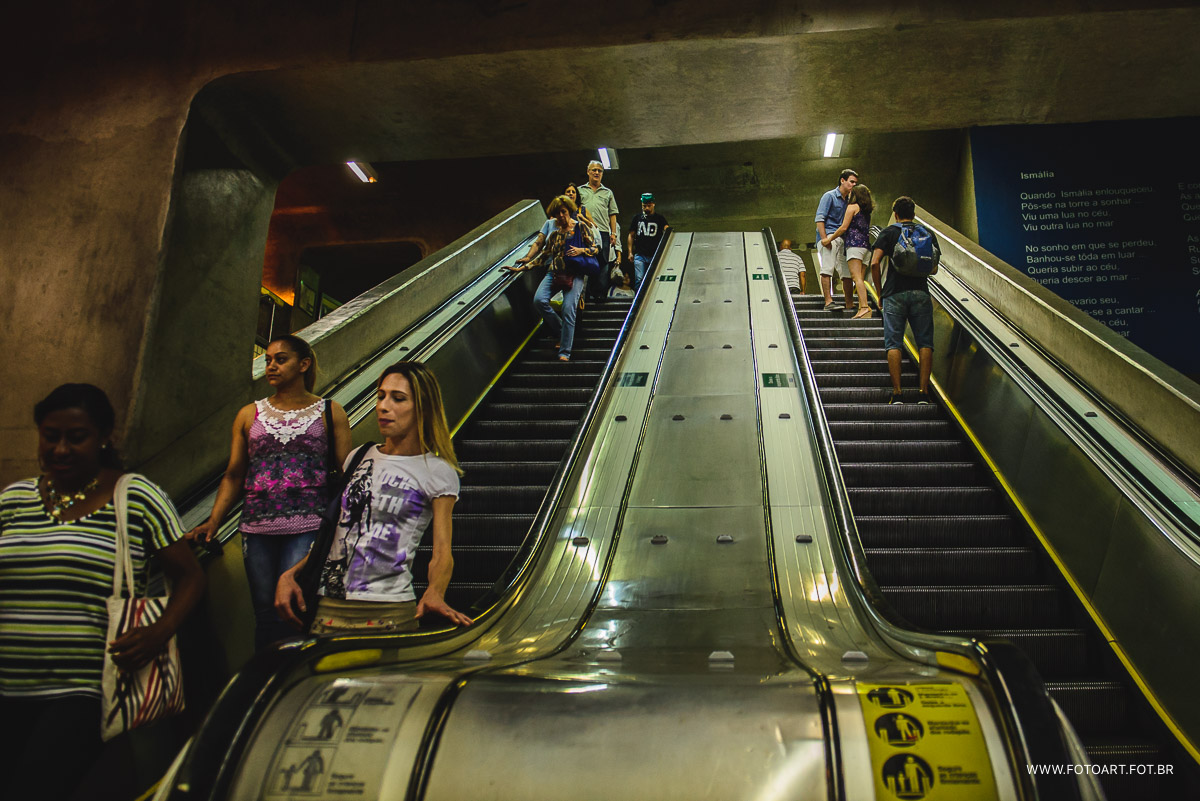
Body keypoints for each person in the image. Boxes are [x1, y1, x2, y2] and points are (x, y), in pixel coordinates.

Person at [0, 383, 205, 801]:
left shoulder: (135, 498)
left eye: (76, 438)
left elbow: (190, 576)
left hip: (82, 689)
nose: (60, 449)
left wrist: (158, 632)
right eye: (50, 436)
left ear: (104, 435)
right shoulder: (14, 500)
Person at [275, 361, 473, 633]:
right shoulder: (359, 456)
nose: (383, 406)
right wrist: (291, 574)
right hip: (329, 607)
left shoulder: (438, 472)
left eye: (398, 398)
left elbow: (441, 552)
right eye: (381, 396)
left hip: (389, 611)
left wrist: (435, 592)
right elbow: (337, 533)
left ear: (423, 408)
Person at [189, 335, 351, 650]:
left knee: (293, 608)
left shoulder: (330, 411)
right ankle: (265, 686)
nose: (271, 366)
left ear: (303, 364)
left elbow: (346, 472)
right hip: (256, 528)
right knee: (264, 612)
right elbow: (235, 474)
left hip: (308, 525)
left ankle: (291, 683)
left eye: (281, 359)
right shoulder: (249, 414)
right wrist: (213, 521)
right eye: (268, 360)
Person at [870, 196, 939, 405]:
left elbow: (874, 263)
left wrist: (879, 291)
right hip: (921, 293)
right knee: (925, 343)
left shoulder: (889, 232)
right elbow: (934, 268)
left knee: (894, 343)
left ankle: (898, 393)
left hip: (894, 294)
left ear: (896, 214)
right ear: (914, 214)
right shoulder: (926, 233)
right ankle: (923, 393)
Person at [529, 195, 599, 362]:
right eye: (557, 213)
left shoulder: (581, 227)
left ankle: (565, 352)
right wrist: (525, 264)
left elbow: (595, 249)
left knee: (568, 308)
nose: (561, 216)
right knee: (539, 300)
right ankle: (562, 331)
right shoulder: (554, 235)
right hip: (555, 273)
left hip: (575, 274)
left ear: (569, 211)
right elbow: (544, 255)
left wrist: (581, 251)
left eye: (563, 212)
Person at [821, 184, 875, 318]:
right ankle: (864, 308)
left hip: (854, 246)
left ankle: (863, 307)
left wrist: (829, 239)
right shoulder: (866, 211)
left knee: (856, 278)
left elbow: (843, 228)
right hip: (866, 247)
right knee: (860, 279)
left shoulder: (852, 207)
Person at [814, 168, 859, 311]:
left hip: (842, 239)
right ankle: (828, 302)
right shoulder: (830, 196)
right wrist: (824, 239)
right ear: (842, 180)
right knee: (827, 268)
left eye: (855, 183)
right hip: (829, 236)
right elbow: (820, 219)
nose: (853, 185)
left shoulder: (850, 201)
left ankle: (849, 303)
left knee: (846, 273)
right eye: (851, 182)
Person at [578, 160, 619, 302]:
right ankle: (585, 293)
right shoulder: (580, 190)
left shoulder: (608, 192)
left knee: (603, 263)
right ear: (588, 172)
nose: (596, 173)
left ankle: (600, 293)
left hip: (603, 232)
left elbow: (612, 214)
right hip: (584, 231)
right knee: (585, 261)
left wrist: (613, 234)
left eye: (599, 171)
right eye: (594, 170)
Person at [626, 192, 670, 287]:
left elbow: (668, 231)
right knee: (639, 279)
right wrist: (630, 252)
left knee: (654, 279)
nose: (646, 208)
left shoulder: (659, 218)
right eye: (644, 206)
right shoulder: (637, 218)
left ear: (653, 204)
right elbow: (631, 235)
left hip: (654, 254)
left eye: (649, 206)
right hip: (640, 254)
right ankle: (639, 301)